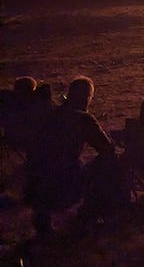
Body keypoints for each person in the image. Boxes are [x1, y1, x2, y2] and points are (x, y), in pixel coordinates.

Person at [25, 76, 114, 235]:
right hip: (63, 181)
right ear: (88, 97)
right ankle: (89, 215)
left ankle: (43, 218)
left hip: (35, 180)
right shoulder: (83, 118)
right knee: (105, 164)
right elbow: (107, 149)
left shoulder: (52, 114)